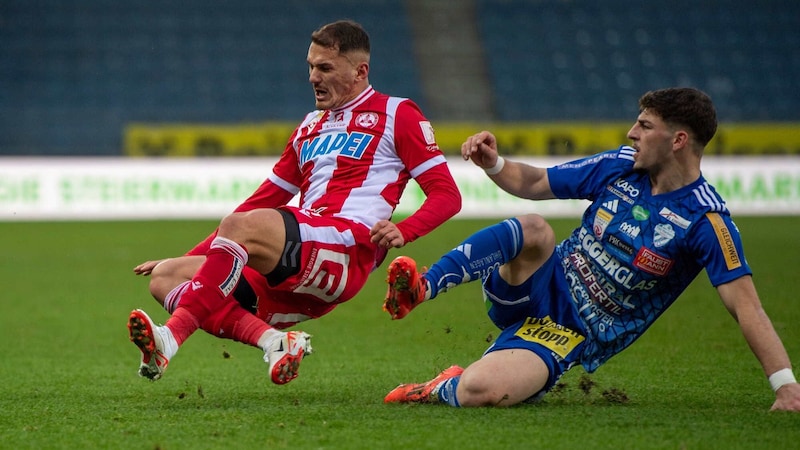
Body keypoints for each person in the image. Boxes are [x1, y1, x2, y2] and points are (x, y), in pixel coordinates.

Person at [381, 87, 800, 411]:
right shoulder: (620, 165)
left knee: (478, 390)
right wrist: (493, 162)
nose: (632, 133)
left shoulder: (706, 223)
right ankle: (423, 287)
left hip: (568, 333)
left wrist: (786, 387)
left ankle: (440, 387)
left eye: (645, 126)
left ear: (678, 140)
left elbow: (747, 307)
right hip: (537, 283)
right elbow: (533, 183)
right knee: (535, 229)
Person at [127, 19, 461, 385]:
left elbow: (447, 194)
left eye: (325, 68)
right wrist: (195, 255)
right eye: (310, 67)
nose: (313, 77)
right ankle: (275, 342)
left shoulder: (398, 114)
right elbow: (266, 197)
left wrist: (405, 230)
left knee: (242, 225)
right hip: (298, 262)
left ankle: (171, 338)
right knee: (166, 277)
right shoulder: (309, 126)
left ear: (359, 71)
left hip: (348, 248)